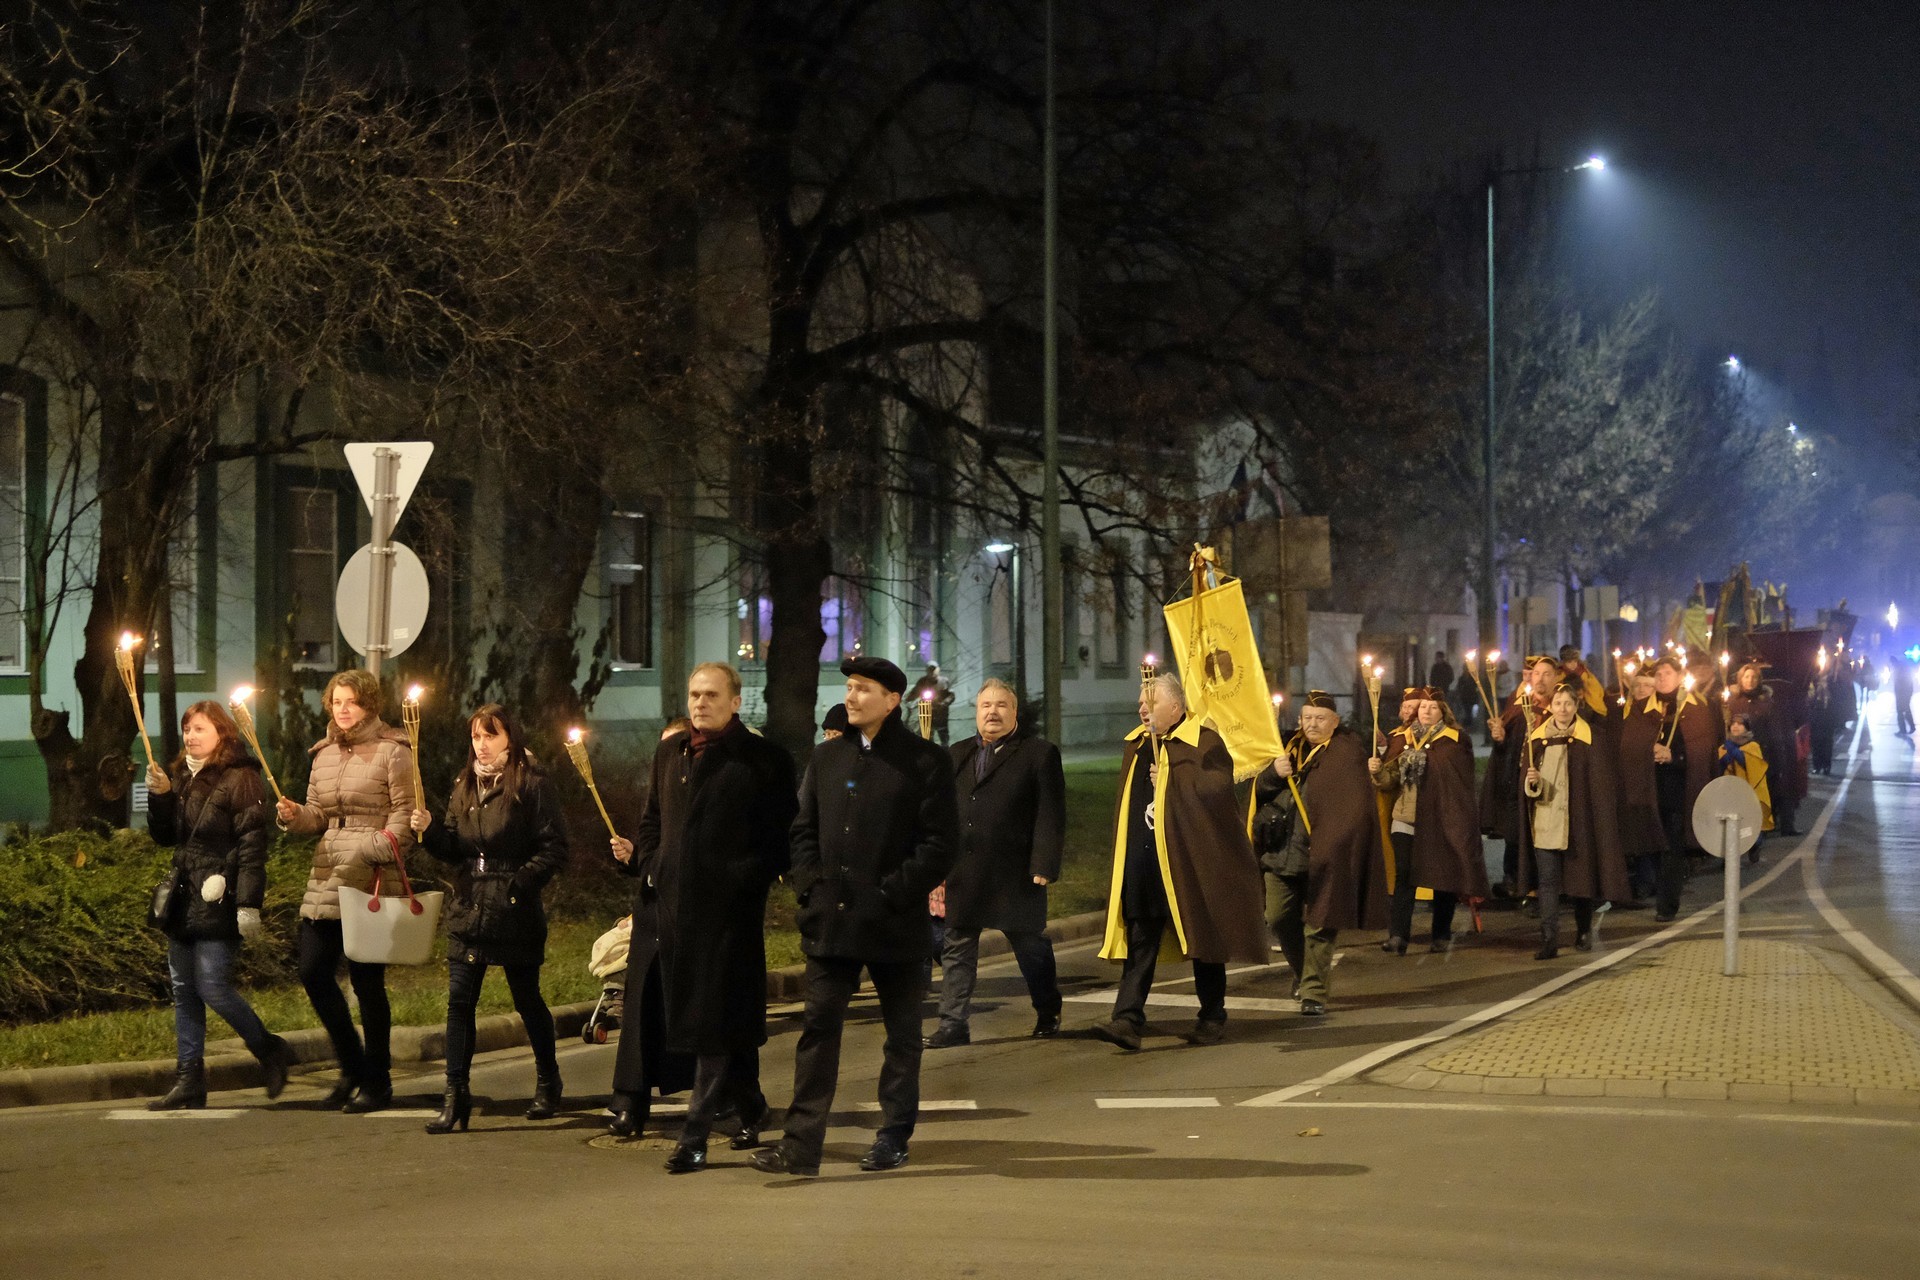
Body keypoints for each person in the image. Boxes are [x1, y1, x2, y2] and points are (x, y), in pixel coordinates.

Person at [753, 656, 957, 1177]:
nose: (851, 696)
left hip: (894, 923)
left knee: (902, 1036)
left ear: (892, 700)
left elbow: (939, 845)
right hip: (832, 921)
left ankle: (893, 1135)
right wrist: (810, 886)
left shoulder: (925, 762)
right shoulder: (828, 757)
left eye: (864, 688)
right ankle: (801, 1145)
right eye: (849, 687)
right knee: (818, 1031)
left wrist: (892, 893)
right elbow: (803, 828)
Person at [620, 663, 799, 1174]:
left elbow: (781, 838)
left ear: (735, 702)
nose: (700, 703)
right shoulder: (669, 753)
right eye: (694, 694)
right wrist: (655, 866)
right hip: (675, 910)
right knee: (711, 1019)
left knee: (713, 1020)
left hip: (729, 915)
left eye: (711, 695)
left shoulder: (764, 759)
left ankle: (693, 1135)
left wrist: (744, 879)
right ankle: (752, 1106)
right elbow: (652, 820)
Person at [410, 703, 569, 1134]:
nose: (481, 745)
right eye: (476, 736)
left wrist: (519, 885)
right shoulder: (464, 784)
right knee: (460, 1001)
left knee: (526, 997)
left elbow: (554, 847)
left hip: (513, 907)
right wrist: (429, 831)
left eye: (490, 735)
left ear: (509, 737)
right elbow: (453, 847)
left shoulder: (531, 782)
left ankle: (548, 1080)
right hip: (469, 904)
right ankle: (455, 1094)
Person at [1089, 674, 1266, 1049]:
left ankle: (1212, 1015)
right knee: (1141, 940)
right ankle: (1127, 1020)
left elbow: (1218, 789)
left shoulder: (1203, 742)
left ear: (1176, 707)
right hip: (1146, 862)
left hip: (1188, 861)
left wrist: (1172, 779)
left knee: (1202, 939)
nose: (1142, 708)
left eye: (1150, 703)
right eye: (1141, 702)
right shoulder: (1138, 744)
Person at [144, 702, 295, 1110]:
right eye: (187, 728)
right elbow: (166, 837)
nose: (191, 736)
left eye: (200, 728)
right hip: (183, 896)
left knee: (211, 985)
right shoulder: (181, 776)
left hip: (220, 894)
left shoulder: (241, 777)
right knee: (184, 990)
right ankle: (189, 1079)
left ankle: (269, 1048)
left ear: (222, 733)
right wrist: (160, 796)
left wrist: (248, 904)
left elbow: (252, 845)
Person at [277, 669, 414, 1113]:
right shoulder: (324, 754)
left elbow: (405, 812)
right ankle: (352, 1065)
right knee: (312, 970)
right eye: (336, 702)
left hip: (370, 874)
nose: (343, 709)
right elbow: (318, 813)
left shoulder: (393, 751)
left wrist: (378, 847)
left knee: (367, 983)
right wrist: (294, 815)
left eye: (351, 701)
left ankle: (378, 1080)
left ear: (369, 703)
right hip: (328, 871)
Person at [925, 679, 1066, 1049]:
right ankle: (953, 1024)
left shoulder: (1038, 754)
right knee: (957, 949)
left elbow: (1050, 814)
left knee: (1030, 947)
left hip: (1015, 874)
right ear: (976, 712)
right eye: (985, 705)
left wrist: (1044, 863)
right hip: (964, 871)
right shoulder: (957, 754)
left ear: (1014, 712)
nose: (992, 712)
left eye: (1001, 705)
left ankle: (1047, 1009)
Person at [1262, 690, 1386, 1015]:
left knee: (1320, 922)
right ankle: (1304, 972)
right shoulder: (1287, 748)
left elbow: (1356, 809)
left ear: (1335, 722)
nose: (1312, 724)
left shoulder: (1346, 753)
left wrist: (1337, 842)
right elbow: (1259, 791)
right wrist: (1273, 773)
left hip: (1327, 854)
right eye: (1307, 718)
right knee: (1277, 916)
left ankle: (1313, 993)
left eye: (1319, 719)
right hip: (1284, 851)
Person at [605, 718, 699, 1138]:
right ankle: (630, 1101)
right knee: (641, 1008)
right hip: (652, 911)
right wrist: (635, 858)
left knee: (695, 1006)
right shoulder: (658, 786)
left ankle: (726, 1094)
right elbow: (652, 836)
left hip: (692, 912)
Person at [1369, 687, 1486, 954]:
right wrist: (1378, 772)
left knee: (1442, 876)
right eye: (1423, 707)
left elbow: (1458, 783)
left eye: (1433, 707)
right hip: (1405, 818)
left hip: (1440, 821)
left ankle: (1441, 934)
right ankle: (1398, 936)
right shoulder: (1405, 738)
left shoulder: (1455, 740)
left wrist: (1428, 760)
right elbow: (1390, 780)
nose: (1427, 711)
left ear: (1443, 712)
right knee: (1404, 876)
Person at [1521, 682, 1630, 959]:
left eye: (1568, 703)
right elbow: (1529, 788)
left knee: (1582, 880)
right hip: (1547, 821)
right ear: (1550, 707)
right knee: (1547, 883)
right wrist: (1531, 782)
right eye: (1558, 703)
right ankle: (1549, 939)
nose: (1562, 709)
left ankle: (1583, 931)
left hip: (1579, 823)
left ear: (1576, 706)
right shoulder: (1537, 739)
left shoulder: (1590, 738)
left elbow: (1602, 784)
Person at [1480, 655, 1558, 898]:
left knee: (1539, 836)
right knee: (1515, 833)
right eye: (1536, 674)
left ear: (1556, 679)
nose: (1540, 679)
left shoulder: (1560, 707)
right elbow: (1508, 744)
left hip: (1548, 785)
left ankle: (1538, 887)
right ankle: (1513, 878)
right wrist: (1500, 737)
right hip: (1517, 781)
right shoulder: (1521, 706)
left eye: (1546, 674)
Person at [1650, 655, 1717, 922]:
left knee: (1672, 847)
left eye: (1667, 673)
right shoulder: (1648, 707)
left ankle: (1667, 904)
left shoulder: (1695, 708)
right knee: (1656, 846)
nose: (1661, 678)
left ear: (1679, 676)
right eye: (1658, 674)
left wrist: (1674, 757)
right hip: (1652, 789)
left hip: (1679, 790)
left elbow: (1701, 750)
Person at [1726, 660, 1798, 836]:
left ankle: (1770, 823)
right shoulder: (1734, 702)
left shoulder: (1766, 702)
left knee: (1768, 790)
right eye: (1746, 677)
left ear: (1759, 680)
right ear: (1740, 679)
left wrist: (1778, 754)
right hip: (1741, 754)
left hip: (1764, 753)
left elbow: (1774, 729)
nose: (1750, 680)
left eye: (1753, 677)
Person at [1615, 669, 1668, 903]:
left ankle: (1651, 880)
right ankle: (1642, 879)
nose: (1641, 690)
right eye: (1637, 685)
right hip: (1628, 780)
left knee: (1649, 831)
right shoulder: (1626, 712)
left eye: (1647, 685)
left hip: (1650, 782)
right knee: (1635, 832)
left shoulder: (1659, 714)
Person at [1720, 712, 1774, 856]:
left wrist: (1734, 751)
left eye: (1740, 724)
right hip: (1732, 792)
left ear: (1746, 727)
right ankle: (1729, 857)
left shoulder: (1753, 746)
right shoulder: (1725, 746)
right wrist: (1725, 756)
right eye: (1733, 724)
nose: (1735, 726)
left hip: (1750, 791)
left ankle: (1754, 845)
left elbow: (1749, 764)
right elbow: (1720, 766)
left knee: (1751, 821)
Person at [906, 663, 954, 745]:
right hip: (926, 713)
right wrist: (908, 699)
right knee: (926, 738)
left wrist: (944, 703)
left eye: (934, 670)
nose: (932, 672)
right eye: (930, 670)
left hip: (941, 714)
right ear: (927, 671)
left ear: (938, 670)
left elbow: (951, 695)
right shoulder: (922, 682)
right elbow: (914, 692)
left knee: (944, 738)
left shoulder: (944, 681)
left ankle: (945, 751)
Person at [1894, 657, 1915, 736]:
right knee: (1905, 710)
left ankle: (1904, 729)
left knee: (1902, 711)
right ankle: (1907, 728)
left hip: (1902, 693)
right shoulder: (1901, 668)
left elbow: (1901, 683)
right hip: (1903, 693)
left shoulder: (1900, 670)